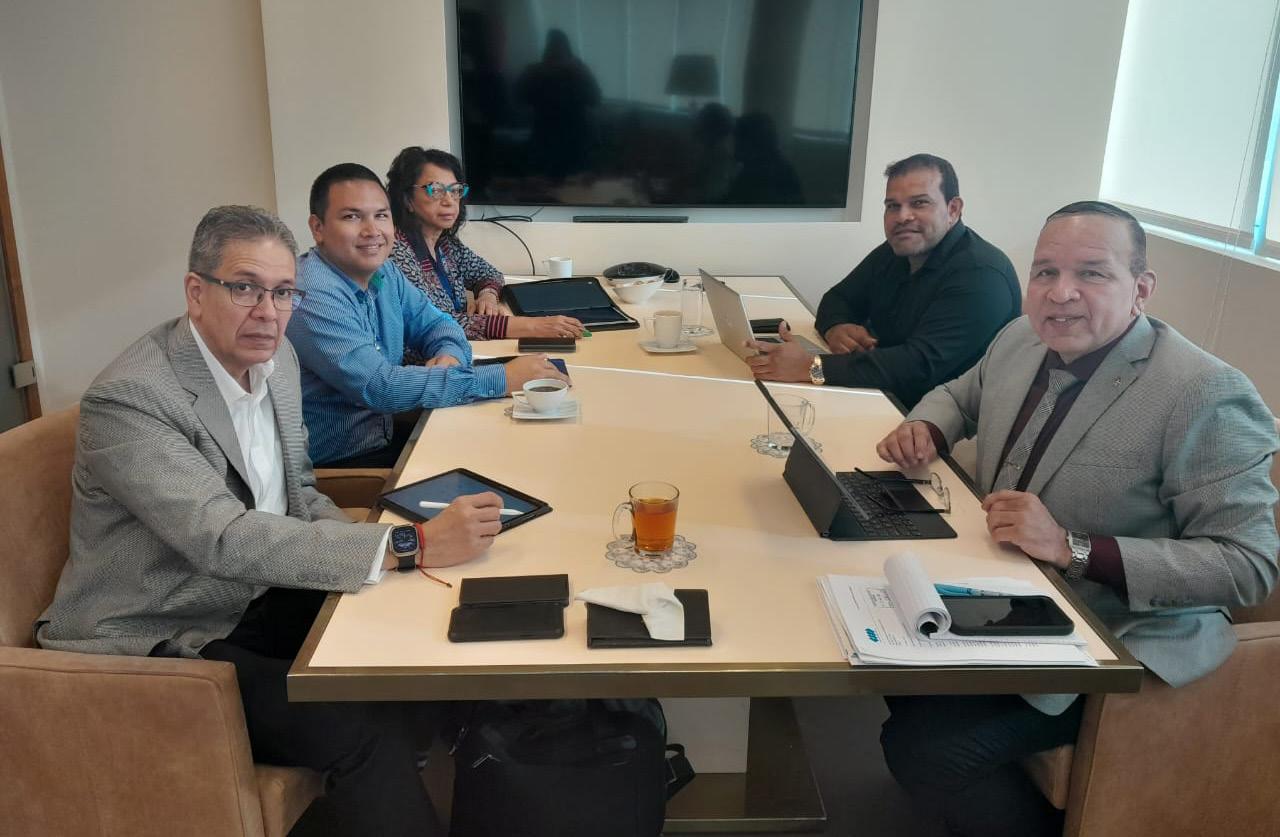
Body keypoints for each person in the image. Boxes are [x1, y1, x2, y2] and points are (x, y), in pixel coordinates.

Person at [35, 205, 507, 836]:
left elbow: (299, 492)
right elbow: (222, 537)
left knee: (417, 638)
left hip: (253, 592)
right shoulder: (132, 399)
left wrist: (386, 553)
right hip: (162, 630)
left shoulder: (276, 359)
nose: (267, 311)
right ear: (195, 291)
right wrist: (407, 542)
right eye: (244, 287)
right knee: (358, 726)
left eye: (284, 292)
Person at [874, 201, 1279, 837]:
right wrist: (928, 425)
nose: (1060, 294)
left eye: (1092, 273)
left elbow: (1249, 565)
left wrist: (1073, 547)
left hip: (1118, 634)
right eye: (1045, 272)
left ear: (1140, 288)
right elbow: (958, 394)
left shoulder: (1202, 392)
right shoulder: (1019, 338)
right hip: (1009, 599)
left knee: (927, 748)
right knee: (891, 666)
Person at [286, 163, 567, 468]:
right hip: (347, 463)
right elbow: (380, 387)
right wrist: (503, 378)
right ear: (318, 228)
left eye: (381, 215)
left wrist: (449, 355)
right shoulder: (312, 293)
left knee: (522, 444)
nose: (372, 231)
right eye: (352, 217)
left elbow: (439, 324)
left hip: (388, 430)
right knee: (503, 462)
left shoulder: (385, 272)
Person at [747, 153, 1021, 409]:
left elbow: (918, 367)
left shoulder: (981, 276)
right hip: (876, 393)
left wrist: (811, 367)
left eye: (919, 203)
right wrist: (836, 328)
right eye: (893, 206)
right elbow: (837, 298)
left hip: (928, 420)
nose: (902, 217)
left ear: (953, 209)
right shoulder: (900, 249)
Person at [385, 146, 583, 343]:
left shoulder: (445, 243)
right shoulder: (396, 252)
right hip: (425, 359)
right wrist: (534, 326)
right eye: (436, 190)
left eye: (455, 190)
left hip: (458, 348)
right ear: (407, 199)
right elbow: (438, 323)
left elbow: (488, 273)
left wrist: (488, 295)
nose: (449, 201)